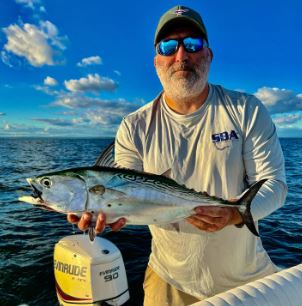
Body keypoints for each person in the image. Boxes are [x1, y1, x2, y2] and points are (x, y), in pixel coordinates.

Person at [68, 5, 287, 305]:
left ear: (209, 55)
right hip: (170, 281)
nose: (181, 56)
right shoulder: (134, 127)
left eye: (193, 44)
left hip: (248, 278)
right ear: (157, 61)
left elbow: (275, 185)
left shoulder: (246, 110)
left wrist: (235, 212)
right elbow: (121, 192)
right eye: (169, 46)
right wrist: (106, 214)